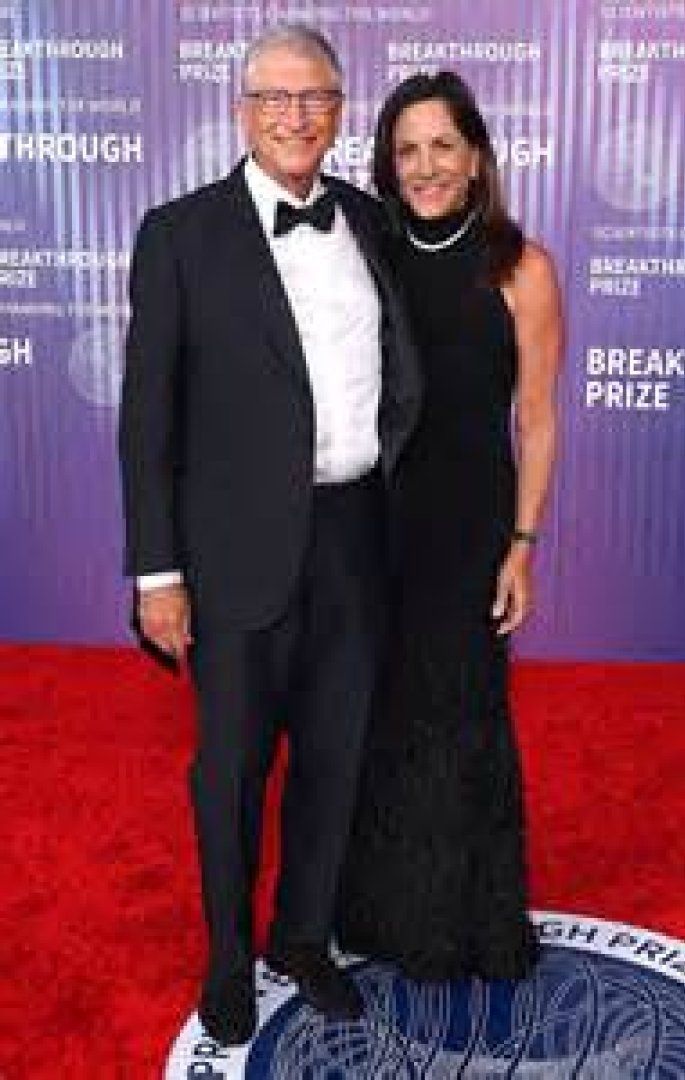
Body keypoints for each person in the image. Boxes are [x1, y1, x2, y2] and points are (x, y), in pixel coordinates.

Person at [118, 25, 421, 1046]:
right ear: (241, 110)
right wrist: (157, 573)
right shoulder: (178, 235)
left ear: (340, 110)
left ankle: (302, 938)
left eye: (316, 97)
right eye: (275, 98)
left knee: (335, 759)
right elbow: (147, 420)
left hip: (356, 538)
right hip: (234, 552)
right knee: (233, 771)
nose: (296, 116)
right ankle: (227, 955)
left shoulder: (370, 221)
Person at [336, 71, 562, 982]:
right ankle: (386, 912)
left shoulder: (521, 269)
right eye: (407, 150)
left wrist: (523, 546)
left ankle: (469, 919)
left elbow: (536, 419)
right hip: (372, 523)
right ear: (387, 165)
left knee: (462, 714)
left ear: (476, 159)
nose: (425, 166)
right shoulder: (366, 257)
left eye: (442, 146)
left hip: (470, 529)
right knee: (380, 715)